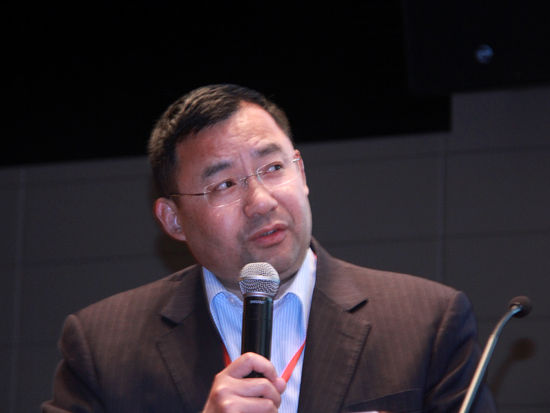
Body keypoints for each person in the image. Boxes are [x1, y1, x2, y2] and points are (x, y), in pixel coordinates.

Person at [42, 84, 496, 412]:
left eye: (274, 167)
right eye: (224, 184)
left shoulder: (427, 324)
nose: (260, 201)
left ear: (302, 173)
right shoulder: (102, 348)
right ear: (173, 220)